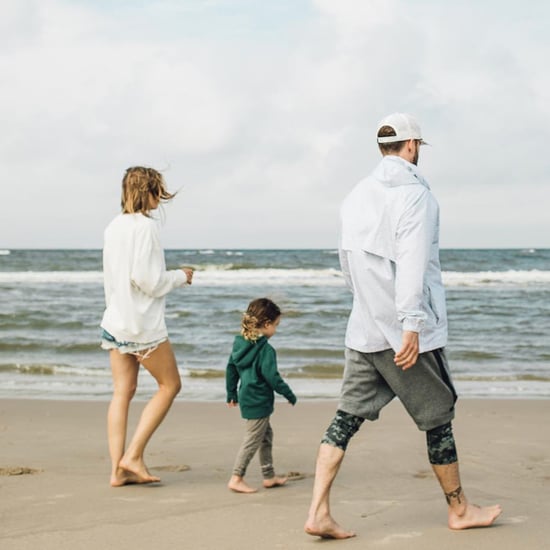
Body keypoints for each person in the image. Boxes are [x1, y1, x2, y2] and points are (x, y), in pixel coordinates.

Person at [304, 113, 502, 538]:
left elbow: (346, 262)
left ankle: (318, 512)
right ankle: (460, 509)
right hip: (404, 334)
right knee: (438, 416)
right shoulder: (417, 196)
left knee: (345, 418)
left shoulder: (355, 196)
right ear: (412, 146)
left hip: (364, 327)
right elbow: (412, 264)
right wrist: (410, 326)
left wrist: (369, 308)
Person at [100, 166, 194, 487]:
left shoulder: (113, 226)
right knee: (170, 386)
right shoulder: (145, 228)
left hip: (115, 320)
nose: (161, 198)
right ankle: (134, 455)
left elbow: (113, 279)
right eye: (159, 190)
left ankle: (117, 470)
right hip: (141, 325)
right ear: (149, 191)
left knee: (121, 393)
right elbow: (149, 281)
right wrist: (181, 276)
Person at [226, 298, 297, 494]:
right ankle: (236, 477)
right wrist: (289, 394)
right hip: (258, 399)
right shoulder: (266, 349)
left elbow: (231, 368)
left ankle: (269, 476)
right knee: (252, 439)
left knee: (265, 436)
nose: (276, 329)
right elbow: (272, 377)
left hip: (247, 397)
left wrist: (231, 392)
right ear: (266, 324)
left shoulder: (240, 343)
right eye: (276, 325)